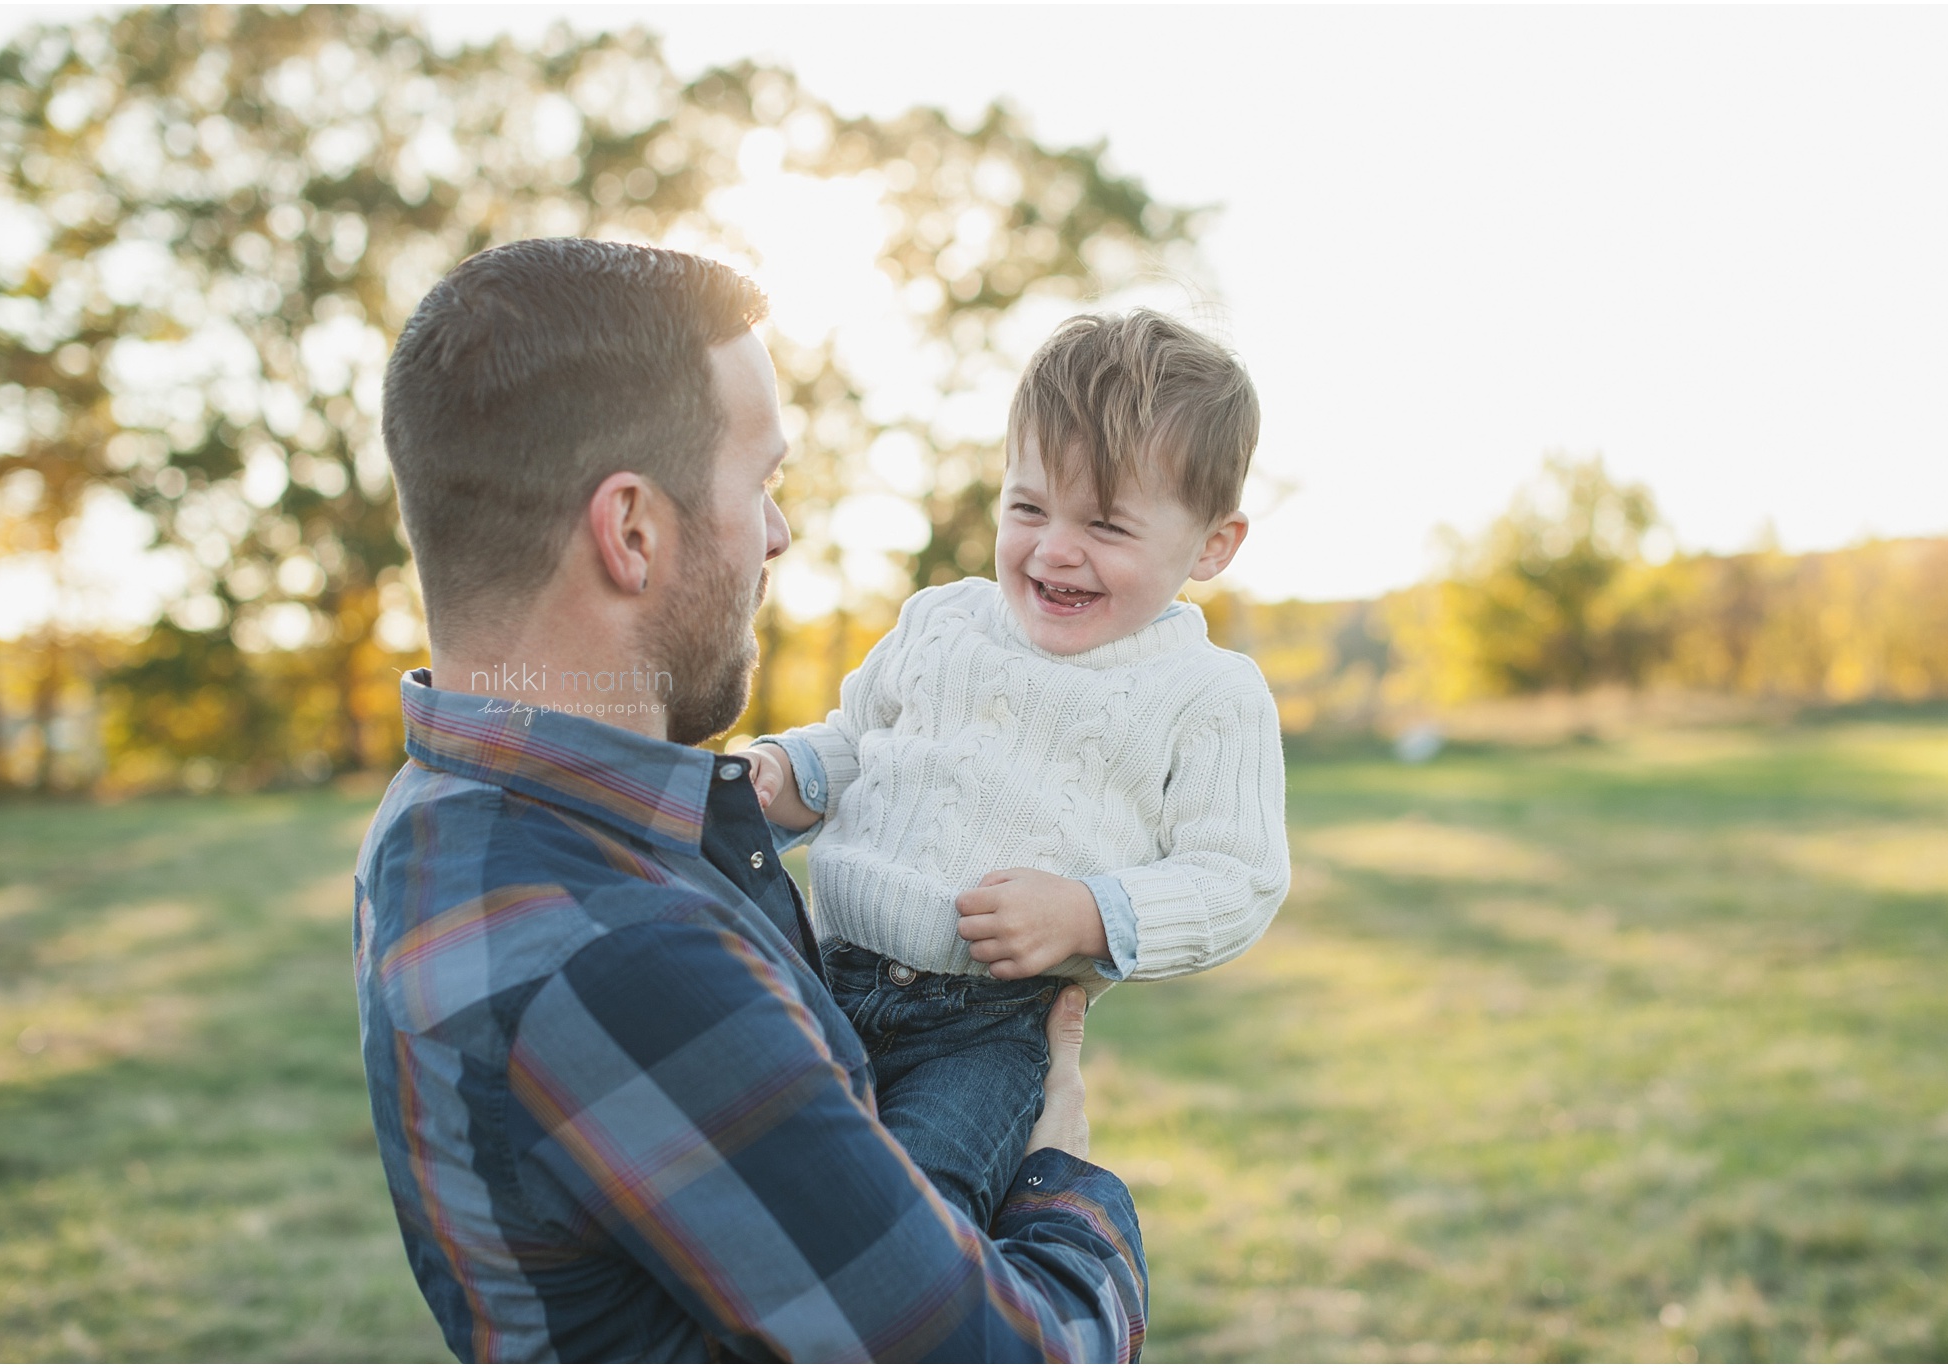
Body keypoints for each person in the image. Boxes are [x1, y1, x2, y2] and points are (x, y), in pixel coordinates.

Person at [354, 237, 1147, 1363]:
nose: (781, 533)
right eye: (762, 481)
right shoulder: (621, 956)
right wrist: (1064, 1177)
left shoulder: (437, 815)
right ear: (632, 531)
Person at [738, 311, 1290, 1231]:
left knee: (909, 1227)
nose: (1054, 548)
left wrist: (1087, 913)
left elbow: (1237, 879)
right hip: (827, 974)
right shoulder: (943, 621)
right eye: (1028, 507)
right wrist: (783, 772)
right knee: (755, 1191)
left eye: (1106, 525)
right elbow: (857, 748)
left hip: (985, 1030)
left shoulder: (1208, 693)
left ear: (1211, 547)